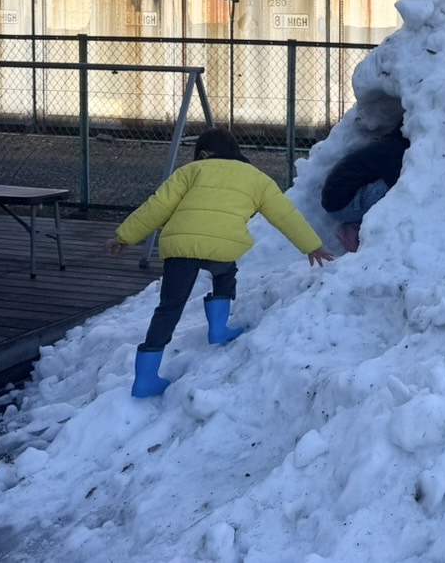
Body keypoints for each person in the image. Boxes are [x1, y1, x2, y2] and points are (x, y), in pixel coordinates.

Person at [105, 128, 332, 399]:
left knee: (169, 308)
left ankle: (144, 379)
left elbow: (156, 207)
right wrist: (311, 245)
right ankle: (218, 329)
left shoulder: (190, 171)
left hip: (181, 247)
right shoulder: (257, 179)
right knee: (225, 274)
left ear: (203, 154)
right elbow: (285, 215)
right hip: (222, 248)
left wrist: (124, 236)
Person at [320, 127, 410, 252]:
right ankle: (353, 233)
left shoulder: (389, 143)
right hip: (343, 205)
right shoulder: (396, 150)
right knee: (400, 188)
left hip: (338, 200)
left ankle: (353, 226)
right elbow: (401, 186)